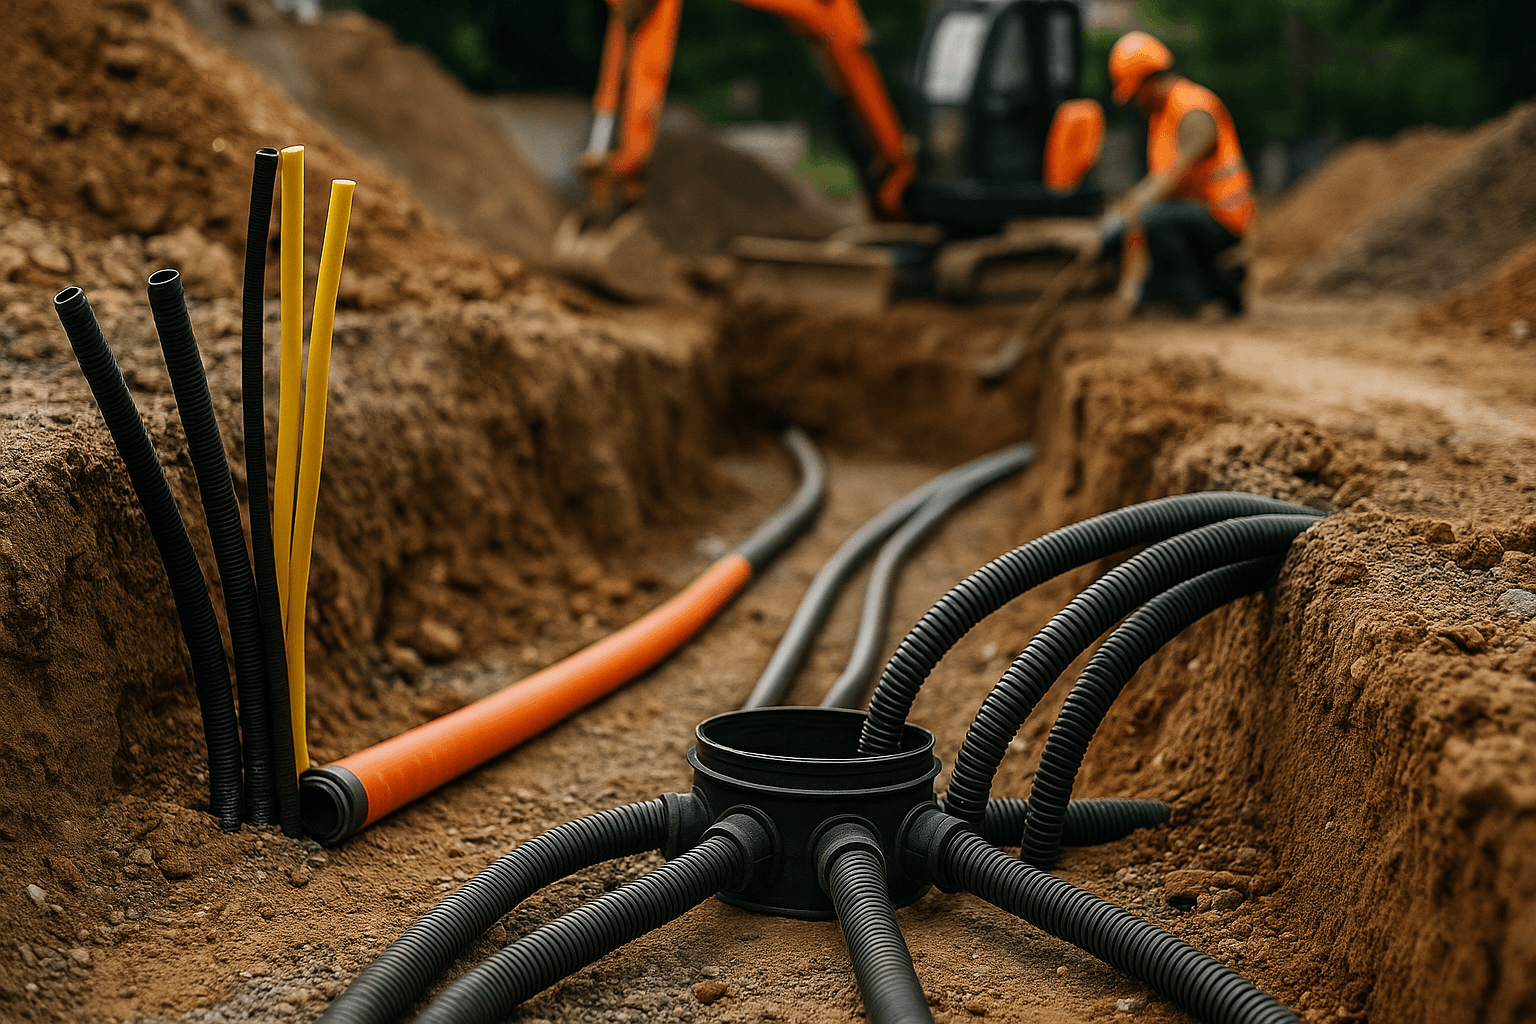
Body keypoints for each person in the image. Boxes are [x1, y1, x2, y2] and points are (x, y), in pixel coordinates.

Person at [1103, 31, 1255, 315]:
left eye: (1135, 95)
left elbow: (1175, 174)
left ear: (1148, 82)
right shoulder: (1162, 114)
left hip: (1222, 216)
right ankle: (1218, 285)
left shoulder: (1192, 107)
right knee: (1139, 222)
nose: (1135, 103)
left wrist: (1133, 204)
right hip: (1196, 212)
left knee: (1152, 220)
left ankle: (1189, 298)